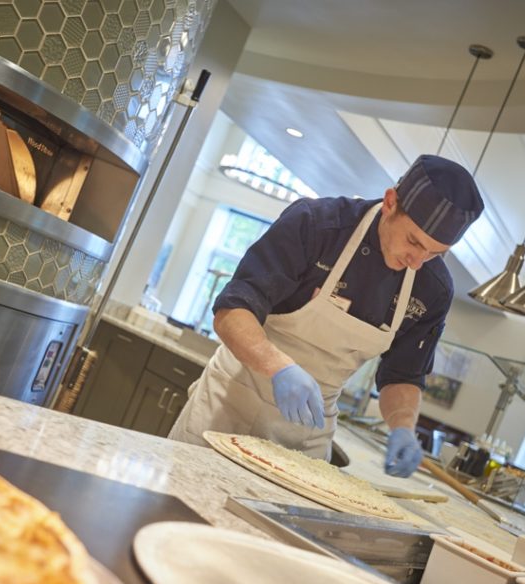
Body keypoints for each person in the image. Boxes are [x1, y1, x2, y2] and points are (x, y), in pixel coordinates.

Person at [167, 154, 484, 477]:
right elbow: (232, 311)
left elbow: (403, 375)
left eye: (434, 253)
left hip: (307, 437)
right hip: (229, 407)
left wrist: (402, 426)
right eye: (413, 242)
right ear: (390, 202)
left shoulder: (434, 289)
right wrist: (279, 368)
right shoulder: (317, 225)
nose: (418, 261)